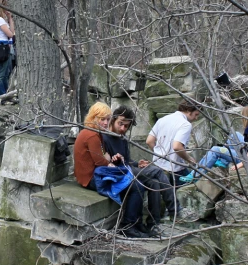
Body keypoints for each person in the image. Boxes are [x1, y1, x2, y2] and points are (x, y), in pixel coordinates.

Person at [102, 105, 179, 236]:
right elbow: (105, 162)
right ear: (113, 120)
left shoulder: (123, 138)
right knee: (158, 172)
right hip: (118, 172)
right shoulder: (104, 138)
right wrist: (115, 162)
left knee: (154, 182)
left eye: (126, 126)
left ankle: (152, 224)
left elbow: (127, 160)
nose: (123, 128)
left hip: (128, 168)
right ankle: (175, 210)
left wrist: (138, 163)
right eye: (120, 124)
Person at [74, 102, 147, 238]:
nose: (106, 122)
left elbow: (103, 157)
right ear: (93, 118)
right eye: (102, 119)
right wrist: (109, 162)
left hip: (93, 174)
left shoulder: (93, 132)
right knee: (136, 188)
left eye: (108, 119)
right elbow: (100, 160)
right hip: (90, 178)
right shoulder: (92, 135)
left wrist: (109, 160)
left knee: (136, 184)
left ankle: (136, 223)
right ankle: (127, 226)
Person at [180, 105, 248, 182]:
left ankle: (195, 175)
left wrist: (242, 164)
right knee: (235, 135)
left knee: (215, 149)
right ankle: (223, 161)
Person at [146, 99, 202, 186]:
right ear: (189, 111)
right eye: (196, 114)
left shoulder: (163, 119)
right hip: (175, 168)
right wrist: (189, 159)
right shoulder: (185, 124)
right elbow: (177, 146)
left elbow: (149, 141)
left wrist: (160, 153)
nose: (196, 118)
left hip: (157, 164)